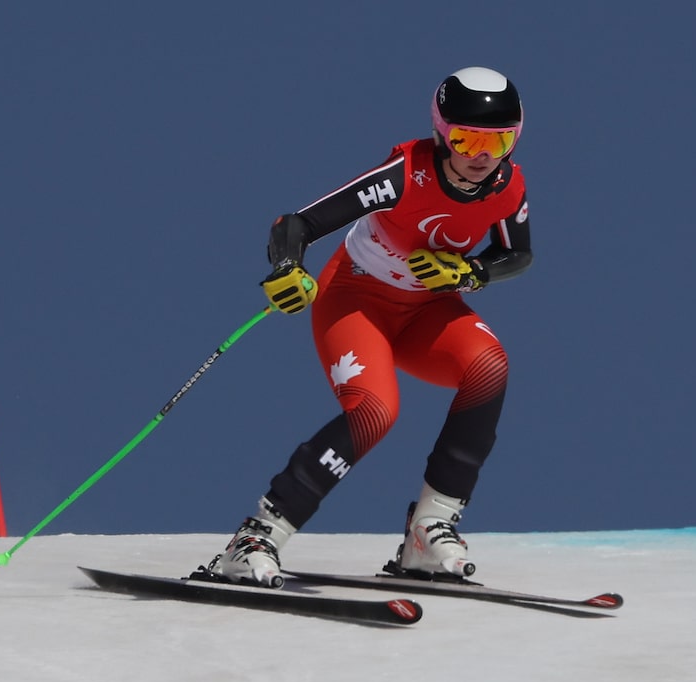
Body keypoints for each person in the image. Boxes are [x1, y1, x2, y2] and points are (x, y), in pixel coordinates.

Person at [205, 66, 533, 588]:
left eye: (498, 140)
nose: (480, 154)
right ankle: (255, 539)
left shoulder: (507, 187)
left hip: (427, 310)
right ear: (441, 132)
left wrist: (473, 272)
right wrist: (287, 267)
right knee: (375, 411)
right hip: (356, 301)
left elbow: (518, 254)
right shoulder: (406, 173)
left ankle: (430, 531)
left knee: (489, 368)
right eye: (466, 137)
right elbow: (298, 223)